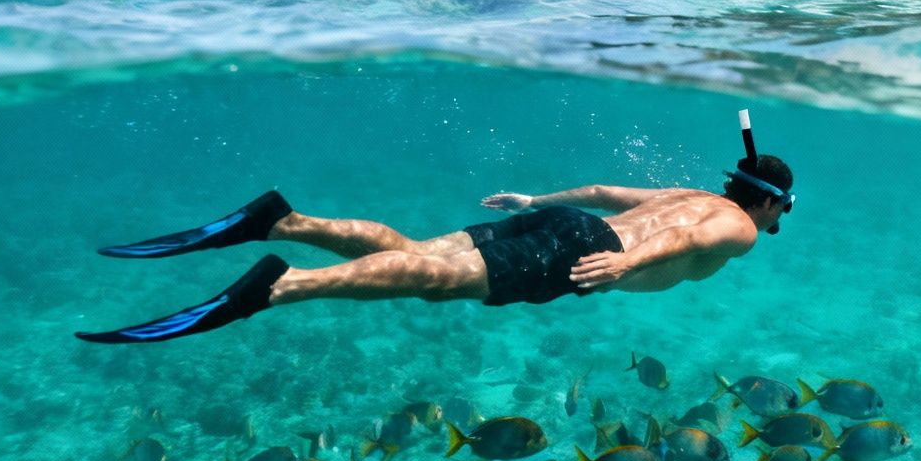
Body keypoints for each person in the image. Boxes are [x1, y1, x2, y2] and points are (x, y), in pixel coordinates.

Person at [76, 113, 793, 343]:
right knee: (438, 284)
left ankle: (283, 222)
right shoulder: (737, 228)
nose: (772, 223)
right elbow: (688, 242)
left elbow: (606, 189)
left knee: (418, 256)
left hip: (566, 221)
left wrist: (532, 196)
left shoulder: (691, 189)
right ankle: (281, 289)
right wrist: (625, 267)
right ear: (767, 203)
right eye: (780, 212)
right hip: (591, 252)